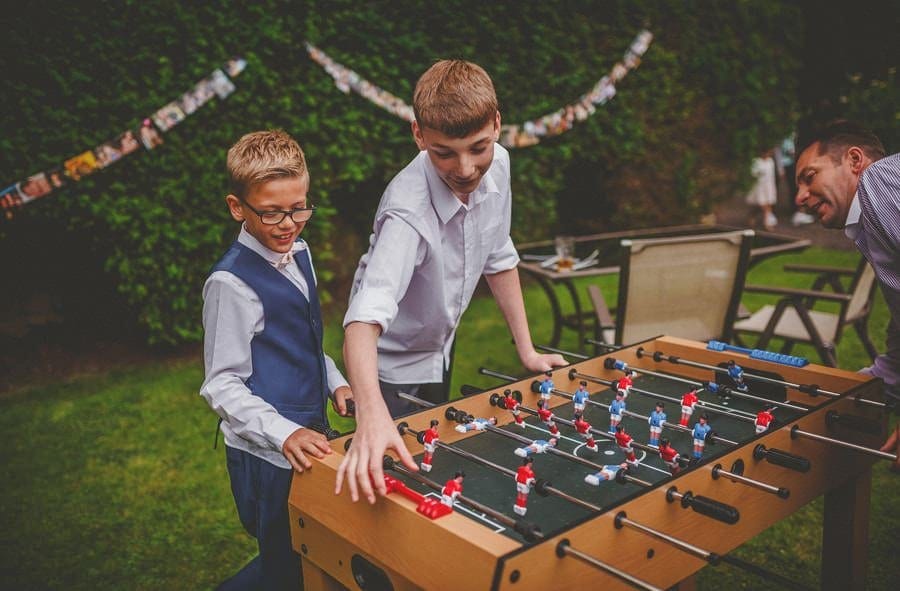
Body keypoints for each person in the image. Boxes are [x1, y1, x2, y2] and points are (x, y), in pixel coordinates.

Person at [338, 59, 566, 504]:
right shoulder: (407, 212)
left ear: (497, 125)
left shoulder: (499, 163)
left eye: (477, 147)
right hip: (387, 369)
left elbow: (499, 256)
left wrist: (527, 350)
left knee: (432, 464)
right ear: (419, 136)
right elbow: (362, 321)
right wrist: (372, 412)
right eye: (445, 152)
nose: (465, 168)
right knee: (392, 494)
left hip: (440, 347)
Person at [200, 130, 354, 590]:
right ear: (237, 207)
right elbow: (222, 385)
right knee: (285, 562)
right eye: (271, 212)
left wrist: (336, 382)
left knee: (313, 550)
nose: (289, 224)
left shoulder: (299, 251)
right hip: (266, 453)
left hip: (309, 437)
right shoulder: (230, 285)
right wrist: (285, 434)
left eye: (300, 207)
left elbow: (304, 340)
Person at [793, 119, 899, 458]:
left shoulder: (878, 182)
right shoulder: (871, 217)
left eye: (809, 177)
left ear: (854, 161)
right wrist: (849, 391)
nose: (799, 198)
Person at [746, 148, 779, 230]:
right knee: (763, 205)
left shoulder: (770, 161)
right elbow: (753, 174)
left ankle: (761, 220)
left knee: (767, 205)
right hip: (759, 186)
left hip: (768, 186)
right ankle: (767, 223)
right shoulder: (756, 161)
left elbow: (772, 175)